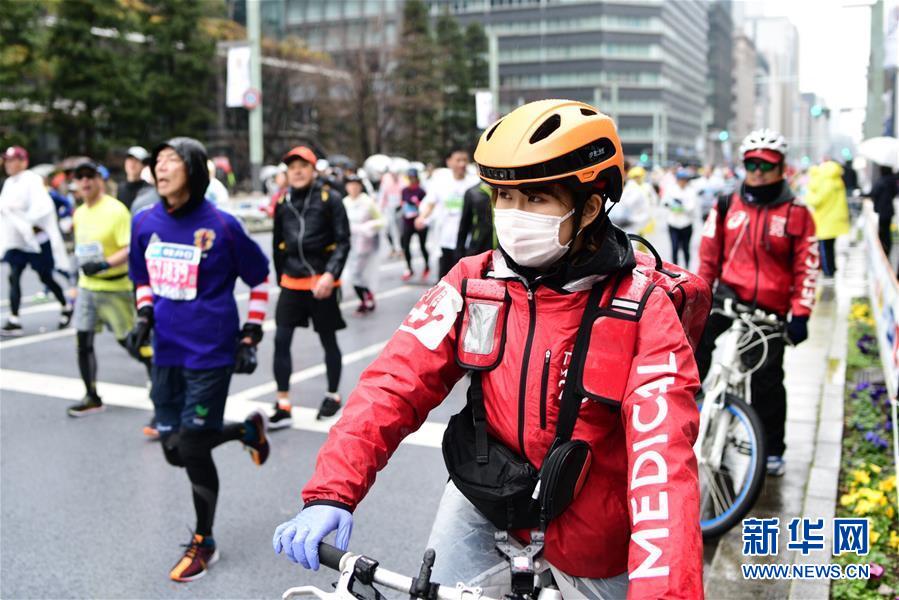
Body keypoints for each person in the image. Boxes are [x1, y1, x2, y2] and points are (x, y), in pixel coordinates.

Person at [272, 99, 704, 599]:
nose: (514, 216)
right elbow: (395, 383)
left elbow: (662, 464)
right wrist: (332, 492)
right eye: (503, 196)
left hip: (593, 529)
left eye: (536, 199)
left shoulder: (642, 307)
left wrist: (665, 592)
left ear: (589, 206)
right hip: (483, 500)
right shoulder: (474, 281)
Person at [126, 137, 271, 582]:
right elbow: (142, 277)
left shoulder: (223, 226)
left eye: (172, 160)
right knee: (173, 450)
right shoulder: (144, 222)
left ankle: (204, 540)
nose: (161, 167)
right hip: (165, 351)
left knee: (190, 446)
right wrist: (145, 315)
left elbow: (260, 278)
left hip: (211, 352)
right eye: (158, 161)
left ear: (194, 169)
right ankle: (245, 430)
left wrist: (251, 331)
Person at [697, 128, 819, 477]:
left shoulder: (797, 212)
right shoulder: (725, 204)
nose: (758, 171)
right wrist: (700, 296)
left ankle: (772, 449)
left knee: (765, 379)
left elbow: (806, 266)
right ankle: (689, 411)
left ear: (782, 167)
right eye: (751, 163)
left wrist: (801, 313)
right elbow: (708, 258)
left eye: (767, 164)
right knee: (692, 346)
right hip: (728, 296)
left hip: (770, 306)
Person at [268, 145, 351, 430]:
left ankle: (333, 395)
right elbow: (277, 244)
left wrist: (330, 275)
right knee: (280, 340)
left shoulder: (331, 199)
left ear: (313, 170)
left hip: (322, 282)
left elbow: (343, 241)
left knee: (328, 339)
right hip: (292, 281)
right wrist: (281, 278)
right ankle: (282, 403)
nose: (298, 171)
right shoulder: (282, 203)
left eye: (303, 166)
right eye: (292, 167)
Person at [65, 160, 152, 416]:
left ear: (100, 179)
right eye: (79, 178)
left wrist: (104, 264)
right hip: (87, 288)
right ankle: (91, 396)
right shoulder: (79, 213)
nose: (84, 182)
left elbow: (129, 247)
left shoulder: (116, 211)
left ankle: (156, 372)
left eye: (89, 176)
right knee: (83, 340)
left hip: (114, 287)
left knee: (129, 341)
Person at [0, 145, 73, 335]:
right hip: (18, 242)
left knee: (45, 276)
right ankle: (14, 318)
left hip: (37, 240)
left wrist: (26, 224)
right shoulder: (9, 183)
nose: (8, 164)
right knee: (13, 275)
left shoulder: (32, 180)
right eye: (7, 160)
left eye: (12, 160)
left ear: (23, 161)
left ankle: (65, 305)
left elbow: (42, 210)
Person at [415, 149, 481, 279]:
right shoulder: (441, 182)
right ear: (449, 162)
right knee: (445, 279)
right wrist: (422, 217)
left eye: (464, 160)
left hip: (467, 241)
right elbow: (431, 203)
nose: (462, 164)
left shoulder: (474, 183)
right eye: (458, 160)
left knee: (465, 280)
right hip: (446, 238)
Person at [343, 174, 384, 315]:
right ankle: (367, 296)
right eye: (350, 185)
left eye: (356, 185)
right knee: (353, 275)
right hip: (349, 243)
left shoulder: (368, 202)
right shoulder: (344, 203)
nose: (353, 188)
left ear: (360, 186)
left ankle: (365, 299)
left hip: (365, 244)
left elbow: (381, 221)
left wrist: (368, 226)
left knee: (355, 274)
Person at [805, 161, 849, 278]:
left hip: (825, 220)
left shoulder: (826, 183)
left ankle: (828, 271)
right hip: (834, 220)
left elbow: (816, 201)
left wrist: (808, 195)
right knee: (830, 247)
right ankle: (832, 268)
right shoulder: (837, 180)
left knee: (824, 247)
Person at [662, 168, 697, 267]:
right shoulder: (671, 190)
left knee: (686, 248)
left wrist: (680, 205)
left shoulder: (691, 191)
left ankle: (687, 267)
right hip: (673, 224)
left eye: (684, 180)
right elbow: (664, 202)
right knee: (674, 248)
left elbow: (691, 207)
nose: (682, 182)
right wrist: (671, 205)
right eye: (680, 180)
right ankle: (674, 270)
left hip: (686, 224)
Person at [399, 168, 430, 280]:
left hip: (419, 222)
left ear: (417, 178)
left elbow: (427, 206)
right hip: (408, 221)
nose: (412, 180)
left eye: (413, 177)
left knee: (422, 246)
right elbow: (402, 202)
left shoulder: (421, 191)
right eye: (410, 178)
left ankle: (427, 266)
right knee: (406, 246)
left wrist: (417, 204)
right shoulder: (404, 190)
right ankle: (409, 269)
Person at [611, 165, 655, 237]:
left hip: (640, 219)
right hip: (629, 222)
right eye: (635, 177)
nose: (637, 178)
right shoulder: (629, 187)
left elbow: (653, 201)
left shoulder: (645, 187)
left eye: (638, 176)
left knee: (641, 243)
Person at [456, 180, 495, 257]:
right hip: (478, 247)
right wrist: (459, 252)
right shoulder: (472, 192)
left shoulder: (504, 190)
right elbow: (464, 225)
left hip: (501, 249)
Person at [871, 165, 897, 257]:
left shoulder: (881, 181)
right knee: (887, 231)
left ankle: (883, 250)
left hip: (882, 210)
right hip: (889, 209)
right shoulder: (892, 181)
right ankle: (887, 248)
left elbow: (873, 193)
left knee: (882, 231)